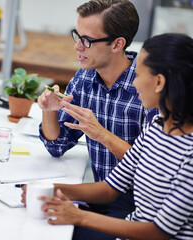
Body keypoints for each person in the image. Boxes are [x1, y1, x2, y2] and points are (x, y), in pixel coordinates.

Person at [23, 33, 193, 240]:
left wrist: (78, 217)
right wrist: (48, 190)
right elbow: (110, 188)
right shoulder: (157, 128)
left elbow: (158, 232)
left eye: (138, 75)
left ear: (159, 81)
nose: (134, 84)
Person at [38, 1, 158, 239]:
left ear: (117, 44)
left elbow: (151, 168)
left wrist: (100, 133)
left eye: (87, 41)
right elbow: (57, 145)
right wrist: (49, 111)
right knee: (38, 218)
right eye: (77, 36)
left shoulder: (148, 87)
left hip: (140, 205)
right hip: (100, 194)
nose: (77, 46)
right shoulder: (85, 77)